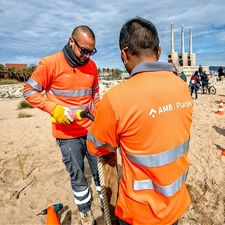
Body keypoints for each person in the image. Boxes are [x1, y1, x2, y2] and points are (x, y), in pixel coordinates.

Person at [87, 16, 192, 225]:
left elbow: (96, 146)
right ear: (159, 51)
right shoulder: (182, 87)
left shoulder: (116, 99)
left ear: (123, 54)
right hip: (176, 204)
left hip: (140, 214)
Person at [23, 25, 102, 225]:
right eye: (83, 50)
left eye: (91, 51)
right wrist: (53, 109)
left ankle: (105, 204)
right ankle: (84, 212)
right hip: (67, 135)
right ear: (71, 41)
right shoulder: (50, 63)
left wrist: (100, 120)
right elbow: (29, 90)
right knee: (77, 175)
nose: (87, 55)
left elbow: (95, 97)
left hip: (91, 130)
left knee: (99, 172)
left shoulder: (92, 66)